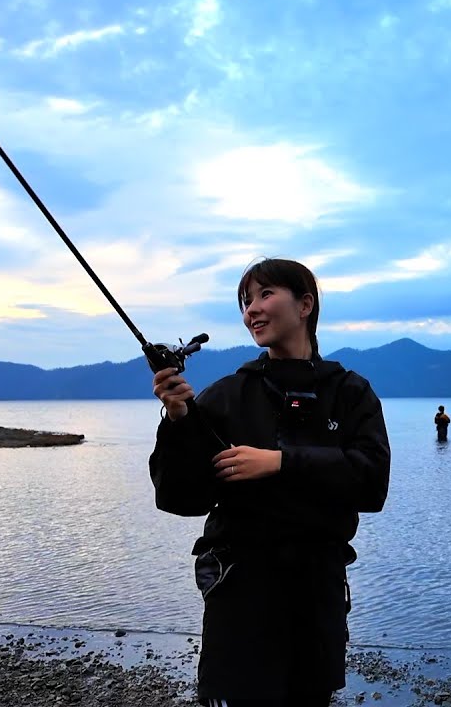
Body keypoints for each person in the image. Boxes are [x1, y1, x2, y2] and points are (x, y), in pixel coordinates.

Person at [149, 258, 391, 707]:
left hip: (317, 588)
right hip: (239, 588)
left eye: (264, 295)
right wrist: (179, 421)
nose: (251, 311)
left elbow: (372, 483)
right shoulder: (226, 394)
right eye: (245, 302)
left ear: (305, 305)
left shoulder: (350, 392)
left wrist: (279, 462)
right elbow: (180, 497)